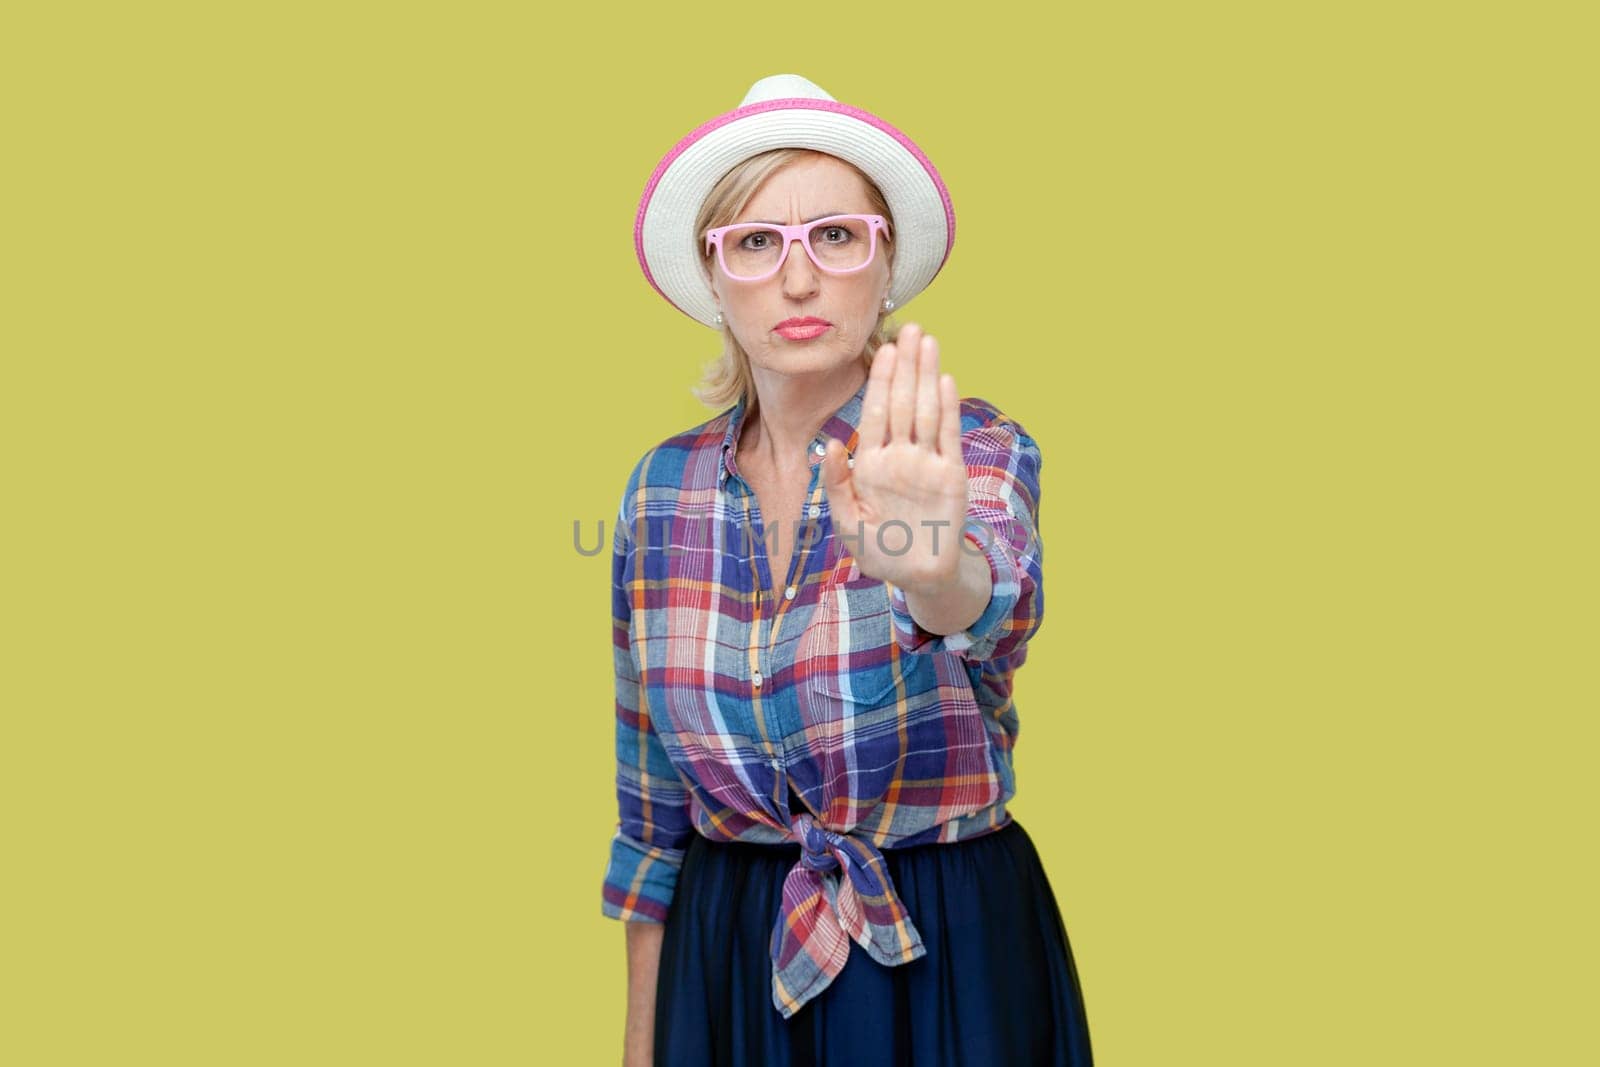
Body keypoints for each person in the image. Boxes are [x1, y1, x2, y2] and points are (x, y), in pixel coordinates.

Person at [601, 73, 1094, 1066]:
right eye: (754, 243)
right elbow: (651, 812)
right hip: (724, 946)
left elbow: (990, 613)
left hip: (942, 940)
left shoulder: (971, 451)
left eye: (834, 236)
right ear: (713, 275)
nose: (795, 280)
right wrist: (643, 1039)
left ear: (885, 261)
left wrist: (927, 567)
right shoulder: (660, 489)